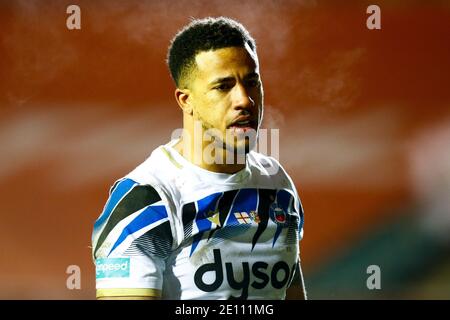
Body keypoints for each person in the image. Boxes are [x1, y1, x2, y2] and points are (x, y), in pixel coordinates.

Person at [92, 16, 306, 300]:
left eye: (252, 82)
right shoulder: (146, 199)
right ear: (185, 100)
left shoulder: (277, 185)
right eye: (223, 86)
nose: (244, 100)